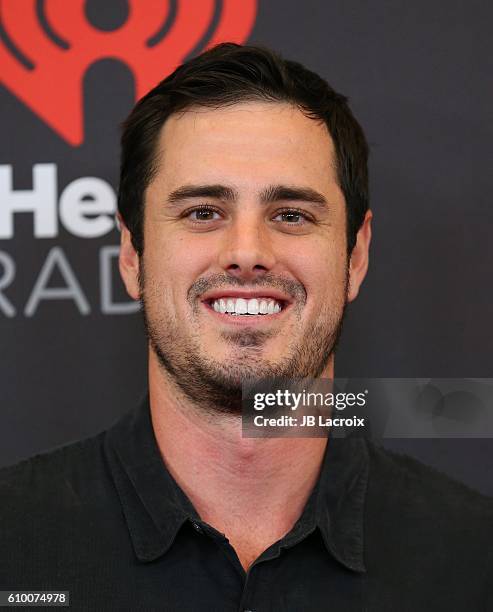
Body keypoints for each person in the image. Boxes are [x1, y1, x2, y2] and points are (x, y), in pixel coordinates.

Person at [1, 43, 491, 611]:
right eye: (203, 212)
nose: (247, 253)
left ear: (355, 256)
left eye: (291, 215)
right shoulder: (14, 545)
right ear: (132, 255)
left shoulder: (473, 561)